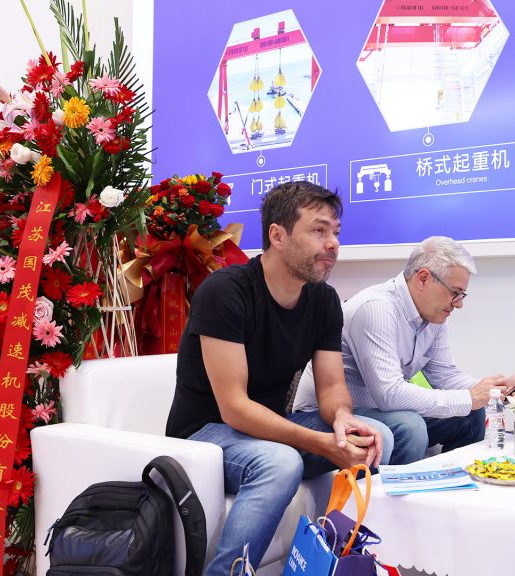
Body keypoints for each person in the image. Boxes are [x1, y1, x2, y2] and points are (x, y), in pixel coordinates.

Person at [165, 181, 393, 575]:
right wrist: (321, 443)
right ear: (278, 235)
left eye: (336, 232)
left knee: (376, 437)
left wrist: (342, 420)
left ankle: (325, 563)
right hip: (205, 434)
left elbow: (332, 387)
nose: (333, 243)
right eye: (318, 230)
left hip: (269, 429)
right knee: (281, 463)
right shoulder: (225, 292)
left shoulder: (323, 299)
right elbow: (234, 408)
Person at [293, 236, 515, 464]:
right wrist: (469, 397)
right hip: (326, 415)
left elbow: (445, 376)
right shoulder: (376, 308)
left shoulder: (434, 317)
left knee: (471, 414)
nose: (459, 304)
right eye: (455, 293)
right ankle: (397, 494)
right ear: (424, 278)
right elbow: (389, 395)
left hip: (379, 412)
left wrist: (500, 390)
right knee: (410, 426)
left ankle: (453, 485)